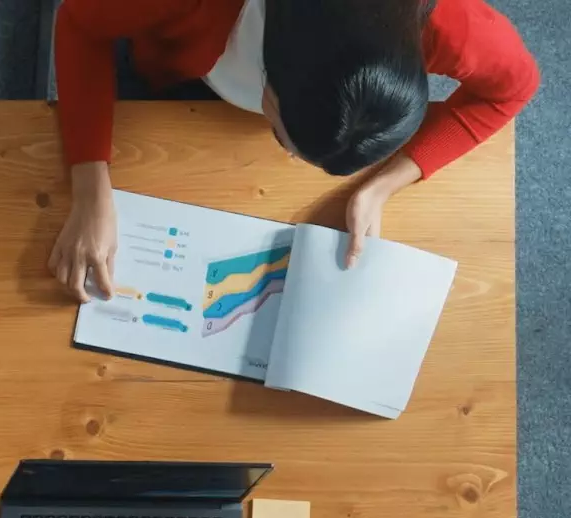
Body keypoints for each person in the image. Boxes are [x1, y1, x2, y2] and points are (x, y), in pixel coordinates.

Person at [47, 0, 540, 299]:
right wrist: (90, 188)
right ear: (271, 70)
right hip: (173, 68)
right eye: (286, 139)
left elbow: (513, 88)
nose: (287, 159)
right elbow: (78, 22)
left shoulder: (446, 23)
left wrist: (386, 185)